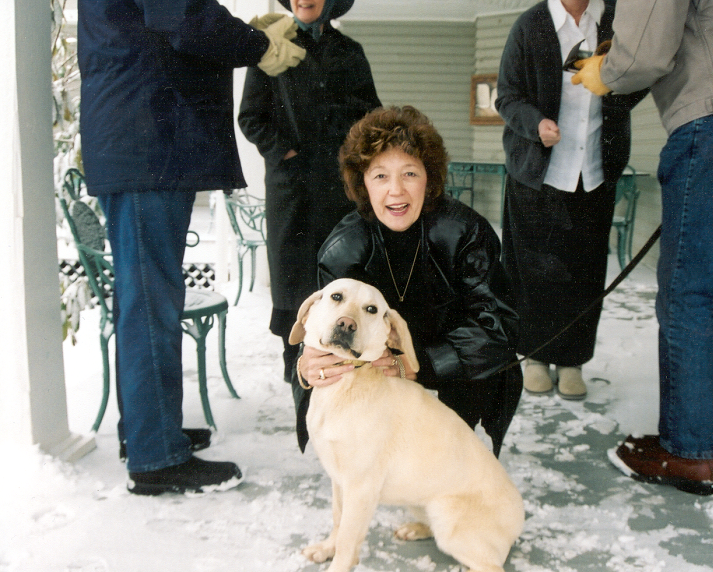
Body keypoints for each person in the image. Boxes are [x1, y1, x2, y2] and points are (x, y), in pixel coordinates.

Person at [77, 0, 305, 495]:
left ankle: (147, 431)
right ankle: (156, 456)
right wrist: (258, 45)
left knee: (148, 297)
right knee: (150, 302)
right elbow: (183, 17)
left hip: (141, 140)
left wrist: (246, 34)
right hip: (145, 140)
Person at [572, 0, 713, 494]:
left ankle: (689, 454)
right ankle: (706, 438)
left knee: (686, 293)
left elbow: (643, 57)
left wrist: (601, 73)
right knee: (705, 288)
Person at [293, 106, 523, 457]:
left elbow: (498, 325)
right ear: (362, 183)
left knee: (446, 455)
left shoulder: (466, 232)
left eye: (410, 174)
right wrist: (307, 365)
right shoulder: (344, 248)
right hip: (379, 366)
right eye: (380, 176)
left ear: (429, 178)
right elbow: (317, 333)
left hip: (453, 366)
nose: (396, 191)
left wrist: (421, 364)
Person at [495, 0, 647, 400]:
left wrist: (612, 80)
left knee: (585, 270)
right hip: (537, 174)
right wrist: (536, 123)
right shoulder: (531, 25)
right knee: (532, 271)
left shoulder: (617, 20)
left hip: (595, 171)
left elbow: (640, 77)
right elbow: (506, 96)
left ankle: (572, 361)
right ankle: (535, 358)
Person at [238, 0, 382, 384]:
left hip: (340, 190)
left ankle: (340, 361)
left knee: (338, 273)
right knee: (295, 274)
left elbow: (372, 115)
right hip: (292, 189)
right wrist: (286, 150)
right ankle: (297, 364)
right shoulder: (270, 45)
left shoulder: (350, 52)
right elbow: (250, 117)